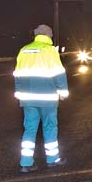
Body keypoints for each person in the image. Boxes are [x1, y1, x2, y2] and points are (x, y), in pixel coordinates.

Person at [13, 24, 68, 173]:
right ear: (48, 36)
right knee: (49, 127)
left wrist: (19, 92)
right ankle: (52, 159)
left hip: (28, 99)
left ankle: (26, 162)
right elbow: (59, 73)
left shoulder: (24, 50)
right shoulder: (49, 50)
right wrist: (63, 91)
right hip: (47, 98)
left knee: (29, 129)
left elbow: (17, 74)